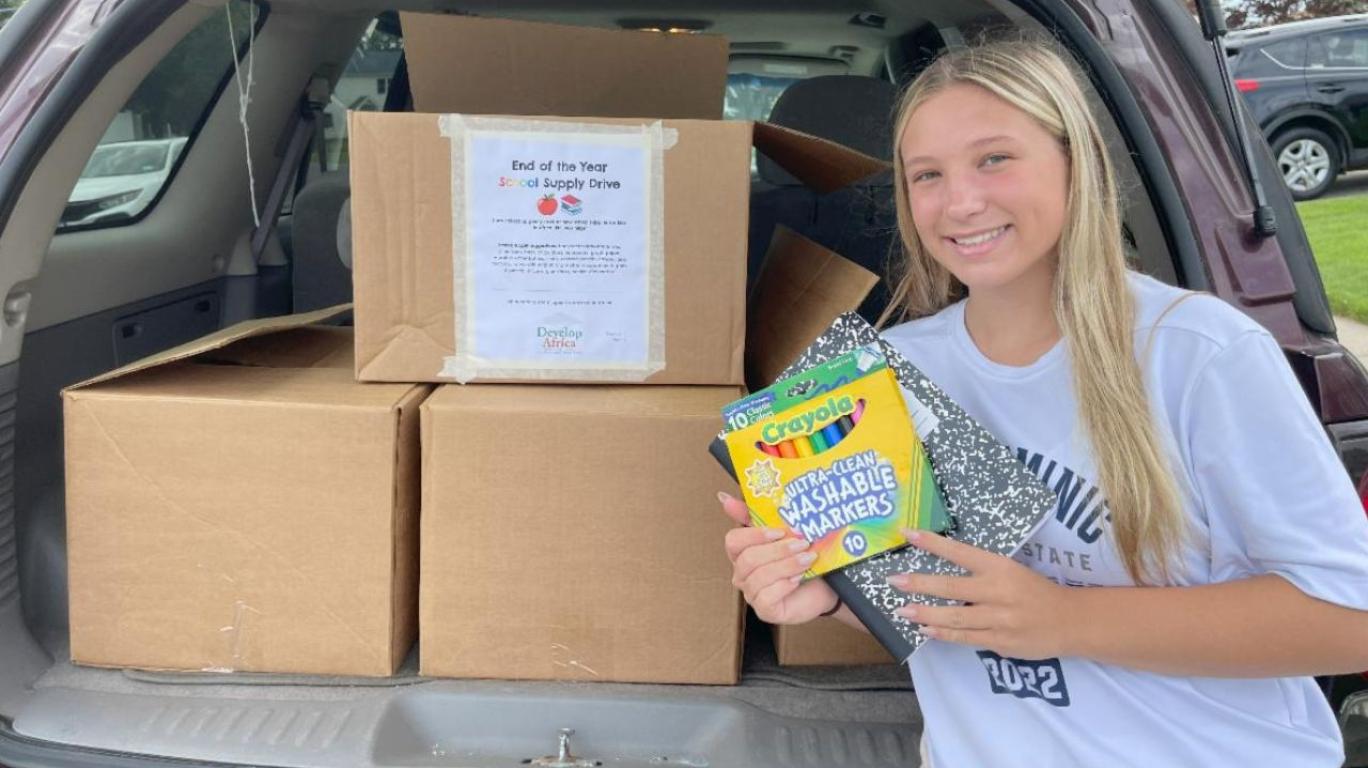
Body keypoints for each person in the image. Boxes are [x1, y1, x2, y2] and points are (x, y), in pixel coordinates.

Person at [718, 39, 1368, 767]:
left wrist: (1067, 619)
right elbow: (941, 605)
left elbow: (1351, 618)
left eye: (994, 159)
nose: (960, 202)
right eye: (926, 175)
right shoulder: (891, 373)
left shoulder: (1199, 354)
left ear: (1073, 158)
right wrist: (833, 598)